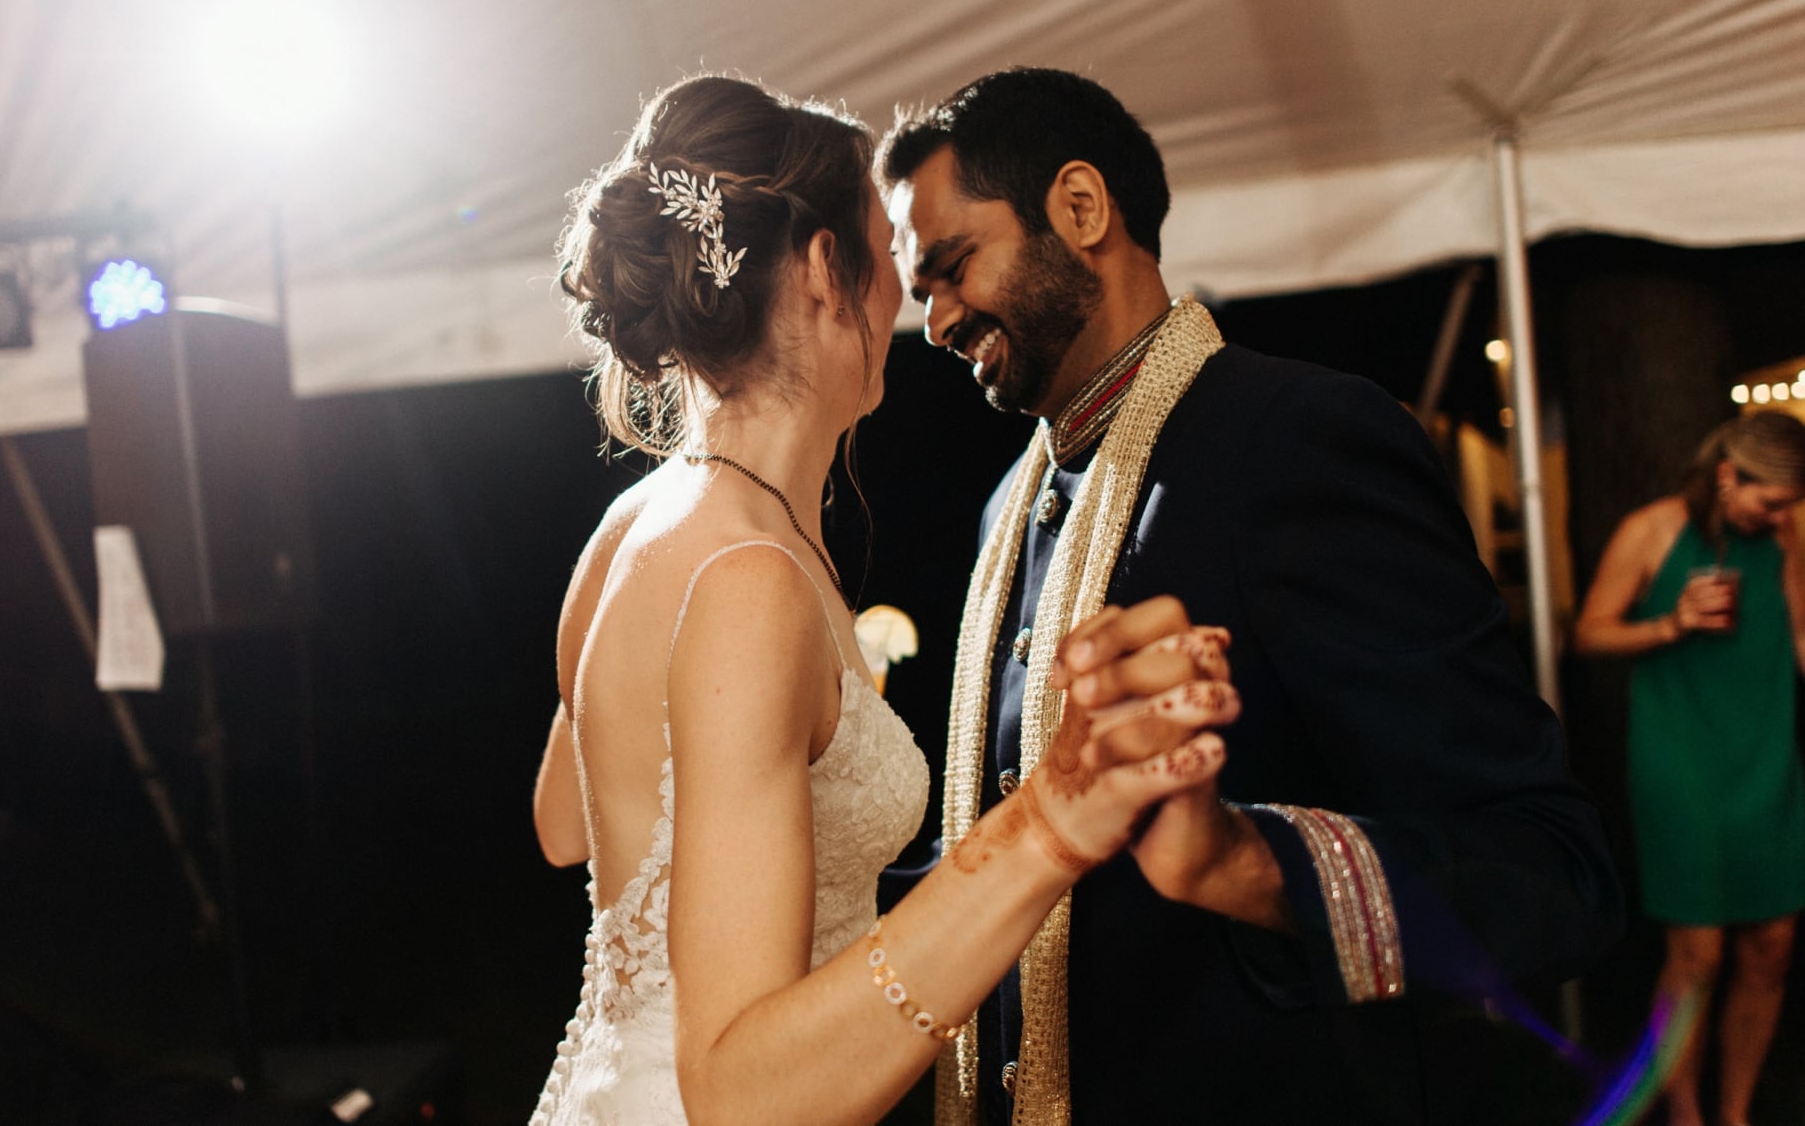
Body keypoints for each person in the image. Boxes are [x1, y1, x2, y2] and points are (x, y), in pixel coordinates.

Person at [880, 67, 1624, 1125]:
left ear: (1080, 209)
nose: (940, 320)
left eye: (954, 268)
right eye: (923, 294)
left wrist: (1240, 859)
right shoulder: (1013, 504)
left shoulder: (1298, 439)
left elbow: (1551, 874)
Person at [526, 74, 1241, 1126]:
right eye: (892, 262)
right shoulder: (751, 581)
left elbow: (565, 824)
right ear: (824, 268)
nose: (918, 307)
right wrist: (1045, 821)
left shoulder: (637, 521)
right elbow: (745, 1102)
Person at [1573, 410, 1805, 1126]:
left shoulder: (1783, 534)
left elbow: (1797, 629)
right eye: (1771, 500)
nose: (1781, 515)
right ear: (1730, 476)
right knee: (1697, 953)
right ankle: (1686, 1110)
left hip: (1766, 753)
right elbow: (1589, 632)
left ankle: (1733, 1110)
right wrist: (1671, 622)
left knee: (1770, 944)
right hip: (1681, 757)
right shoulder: (1651, 529)